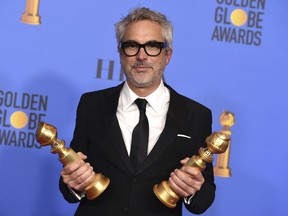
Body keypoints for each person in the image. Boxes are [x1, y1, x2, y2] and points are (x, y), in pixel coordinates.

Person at [59, 7, 215, 216]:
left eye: (153, 46)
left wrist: (193, 189)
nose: (141, 56)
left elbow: (202, 201)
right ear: (120, 53)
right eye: (132, 46)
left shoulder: (196, 115)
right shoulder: (91, 104)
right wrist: (72, 184)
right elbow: (69, 184)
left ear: (167, 54)